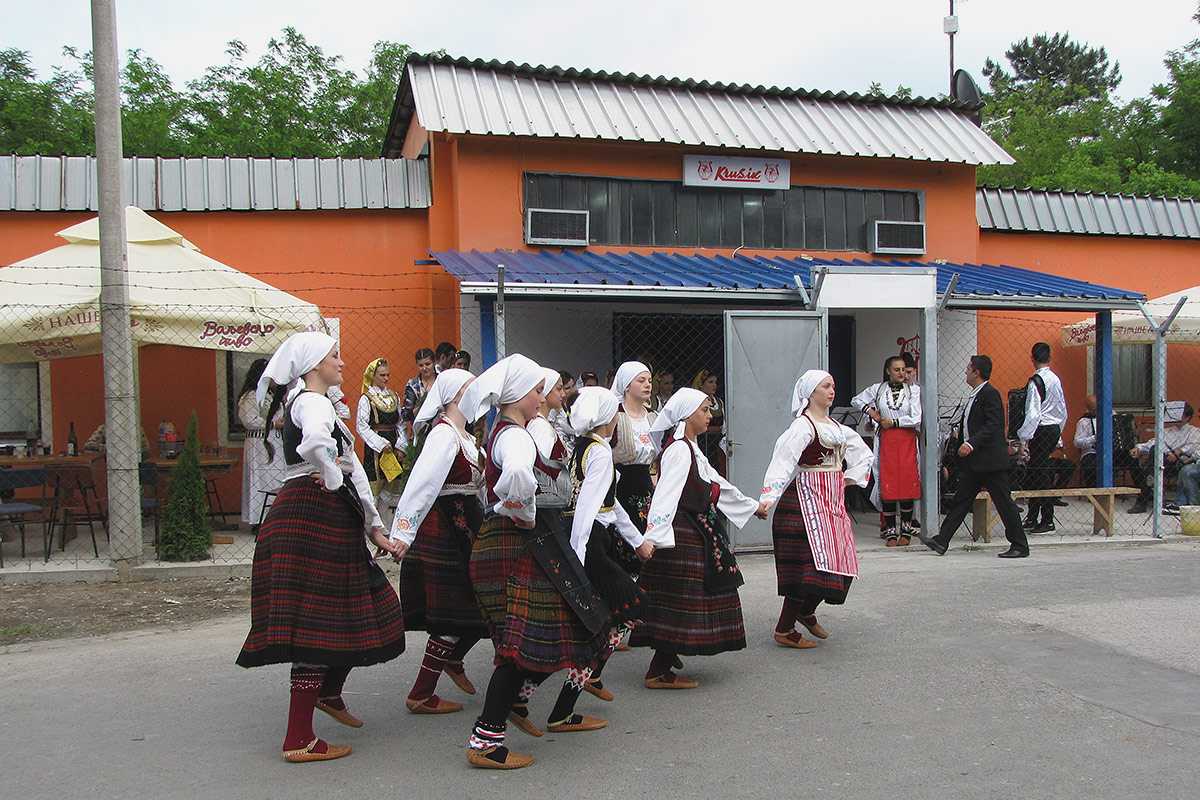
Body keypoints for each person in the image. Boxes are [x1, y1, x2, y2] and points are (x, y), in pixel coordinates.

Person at [236, 332, 405, 764]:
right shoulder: (311, 402)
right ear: (314, 364)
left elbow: (354, 472)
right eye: (335, 356)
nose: (342, 363)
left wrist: (374, 526)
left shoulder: (318, 402)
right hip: (314, 515)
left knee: (362, 609)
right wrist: (331, 477)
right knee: (319, 624)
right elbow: (315, 445)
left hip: (327, 514)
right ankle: (299, 738)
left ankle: (329, 692)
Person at [460, 354, 607, 770]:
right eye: (537, 390)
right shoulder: (516, 437)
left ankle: (506, 714)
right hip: (515, 542)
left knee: (529, 640)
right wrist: (524, 513)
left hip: (512, 542)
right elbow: (519, 477)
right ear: (518, 394)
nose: (542, 398)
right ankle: (486, 741)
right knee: (519, 644)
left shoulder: (510, 431)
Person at [630, 388, 767, 688]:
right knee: (684, 599)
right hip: (682, 530)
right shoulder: (680, 449)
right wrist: (653, 536)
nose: (709, 415)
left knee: (683, 598)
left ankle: (668, 655)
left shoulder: (690, 447)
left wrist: (751, 507)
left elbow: (716, 484)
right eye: (703, 410)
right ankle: (658, 671)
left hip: (695, 526)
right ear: (686, 415)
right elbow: (665, 495)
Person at [388, 368, 485, 716]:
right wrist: (402, 533)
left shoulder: (465, 436)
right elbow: (422, 485)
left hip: (467, 524)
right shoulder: (444, 435)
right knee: (456, 610)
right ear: (455, 396)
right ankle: (421, 693)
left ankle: (452, 659)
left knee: (482, 602)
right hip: (447, 526)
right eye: (471, 389)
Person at [760, 370, 873, 648]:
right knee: (809, 566)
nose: (831, 391)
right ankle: (785, 629)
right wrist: (769, 497)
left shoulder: (837, 428)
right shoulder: (803, 427)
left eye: (833, 385)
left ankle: (805, 611)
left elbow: (864, 455)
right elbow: (783, 461)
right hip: (805, 502)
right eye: (825, 386)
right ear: (811, 392)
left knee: (840, 561)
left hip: (832, 503)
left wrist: (847, 479)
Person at [921, 355, 1030, 559]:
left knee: (1004, 502)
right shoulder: (976, 395)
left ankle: (1020, 544)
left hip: (990, 462)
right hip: (976, 463)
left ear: (976, 372)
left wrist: (971, 443)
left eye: (968, 368)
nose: (966, 372)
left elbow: (993, 424)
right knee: (962, 500)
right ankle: (942, 540)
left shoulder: (990, 394)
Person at [850, 356, 921, 546]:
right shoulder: (878, 389)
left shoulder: (912, 391)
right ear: (888, 371)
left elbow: (916, 417)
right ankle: (890, 530)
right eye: (897, 370)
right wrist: (872, 412)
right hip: (886, 441)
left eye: (903, 369)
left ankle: (906, 528)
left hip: (906, 440)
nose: (901, 373)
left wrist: (895, 422)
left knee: (906, 483)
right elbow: (856, 400)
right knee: (887, 481)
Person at [610, 361, 659, 564]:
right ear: (626, 385)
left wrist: (656, 475)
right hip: (620, 484)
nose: (647, 385)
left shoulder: (654, 417)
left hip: (645, 484)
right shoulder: (614, 416)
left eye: (649, 380)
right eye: (641, 380)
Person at [1016, 342, 1067, 533]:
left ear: (1032, 358)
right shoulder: (1055, 379)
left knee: (1040, 473)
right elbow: (1062, 410)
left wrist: (1024, 438)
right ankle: (1033, 516)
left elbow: (1033, 413)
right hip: (1053, 428)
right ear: (1049, 357)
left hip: (1041, 429)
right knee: (1037, 470)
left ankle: (1047, 519)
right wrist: (1058, 432)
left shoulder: (1035, 382)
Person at [356, 358, 408, 526]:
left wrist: (401, 446)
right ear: (373, 376)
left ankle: (390, 525)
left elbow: (400, 423)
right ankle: (374, 527)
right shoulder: (366, 399)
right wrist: (380, 444)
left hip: (394, 448)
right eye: (382, 375)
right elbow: (361, 426)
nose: (386, 378)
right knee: (375, 488)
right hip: (375, 450)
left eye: (387, 375)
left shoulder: (393, 396)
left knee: (393, 487)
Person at [237, 358, 285, 530]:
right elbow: (249, 420)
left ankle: (273, 516)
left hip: (274, 441)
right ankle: (260, 519)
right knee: (261, 478)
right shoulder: (251, 395)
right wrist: (273, 424)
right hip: (259, 443)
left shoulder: (270, 395)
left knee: (274, 477)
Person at [1130, 401, 1200, 514]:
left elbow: (1193, 446)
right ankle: (1152, 476)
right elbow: (1153, 442)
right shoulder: (1167, 431)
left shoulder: (1194, 431)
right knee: (1155, 449)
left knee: (1150, 468)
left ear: (1187, 417)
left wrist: (1179, 451)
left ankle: (1143, 499)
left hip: (1178, 462)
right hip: (1161, 459)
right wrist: (1138, 447)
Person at [692, 369, 726, 475]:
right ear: (701, 385)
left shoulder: (719, 402)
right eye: (710, 382)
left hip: (717, 443)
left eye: (715, 382)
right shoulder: (697, 402)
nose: (714, 385)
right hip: (702, 441)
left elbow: (724, 424)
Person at [402, 348, 438, 435]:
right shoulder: (413, 385)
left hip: (441, 429)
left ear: (434, 362)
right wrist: (416, 411)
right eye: (421, 365)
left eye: (428, 364)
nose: (424, 368)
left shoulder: (442, 381)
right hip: (420, 433)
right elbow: (405, 414)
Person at [83, 423, 152, 461]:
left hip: (134, 463)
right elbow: (88, 445)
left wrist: (129, 451)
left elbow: (147, 450)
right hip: (111, 464)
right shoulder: (105, 428)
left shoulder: (136, 429)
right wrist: (109, 448)